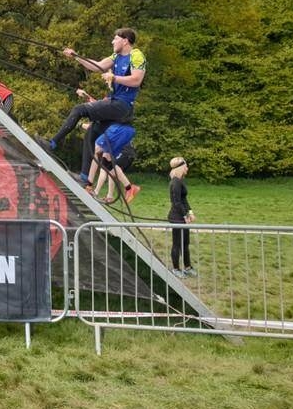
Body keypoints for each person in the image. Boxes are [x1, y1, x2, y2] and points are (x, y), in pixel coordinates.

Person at [37, 29, 146, 178]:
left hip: (123, 105)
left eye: (115, 39)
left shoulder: (136, 55)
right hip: (115, 103)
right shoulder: (116, 56)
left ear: (125, 40)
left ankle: (52, 144)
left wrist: (114, 78)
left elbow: (136, 80)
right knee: (91, 132)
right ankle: (84, 178)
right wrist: (76, 57)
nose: (112, 42)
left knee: (79, 109)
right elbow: (98, 66)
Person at [89, 131, 139, 204]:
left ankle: (96, 192)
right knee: (111, 172)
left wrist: (80, 124)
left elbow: (98, 150)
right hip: (128, 154)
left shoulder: (106, 136)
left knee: (105, 168)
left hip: (125, 153)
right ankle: (110, 196)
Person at [168, 156, 197, 278]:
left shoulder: (180, 181)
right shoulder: (175, 182)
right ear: (180, 167)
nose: (187, 168)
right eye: (185, 166)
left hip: (183, 216)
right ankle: (175, 268)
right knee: (177, 244)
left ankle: (187, 267)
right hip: (176, 217)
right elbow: (176, 202)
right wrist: (185, 215)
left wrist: (190, 212)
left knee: (185, 243)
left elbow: (184, 199)